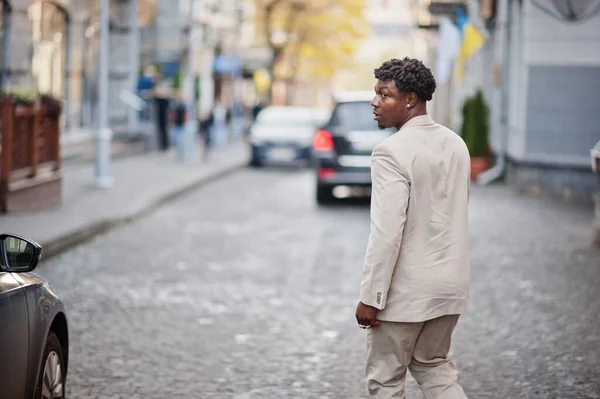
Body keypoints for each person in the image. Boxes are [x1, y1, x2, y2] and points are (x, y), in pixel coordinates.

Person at [355, 57, 470, 399]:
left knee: (386, 381)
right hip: (449, 288)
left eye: (384, 95)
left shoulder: (390, 152)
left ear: (410, 101)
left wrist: (371, 298)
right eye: (375, 93)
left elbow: (387, 234)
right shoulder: (456, 144)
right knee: (435, 368)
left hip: (403, 294)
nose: (375, 102)